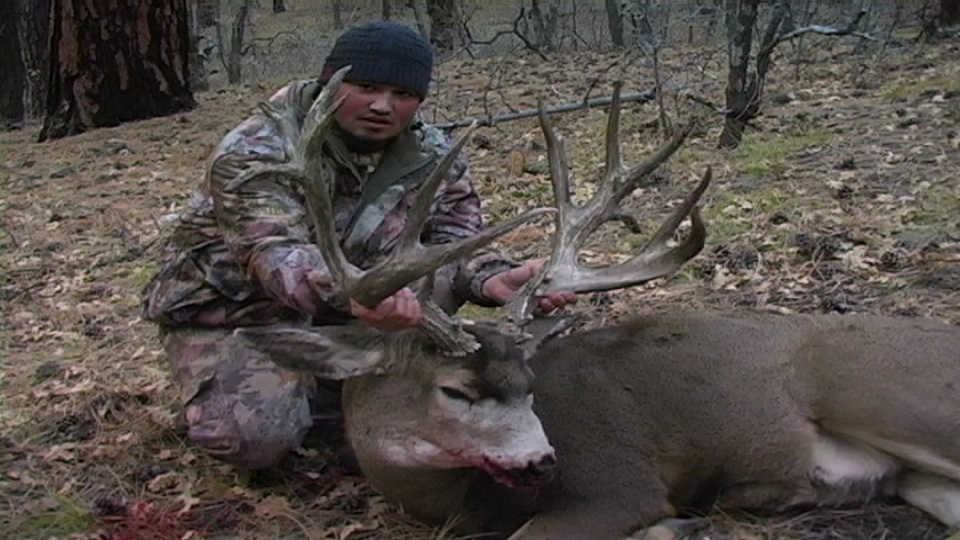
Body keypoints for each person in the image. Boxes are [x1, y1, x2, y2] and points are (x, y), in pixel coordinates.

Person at [141, 21, 575, 470]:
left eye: (403, 95)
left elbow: (454, 241)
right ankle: (235, 390)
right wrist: (356, 292)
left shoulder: (432, 154)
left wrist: (492, 277)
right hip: (237, 314)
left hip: (360, 308)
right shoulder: (257, 149)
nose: (383, 106)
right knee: (256, 439)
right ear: (331, 81)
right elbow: (272, 254)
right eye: (366, 87)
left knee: (432, 289)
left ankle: (355, 388)